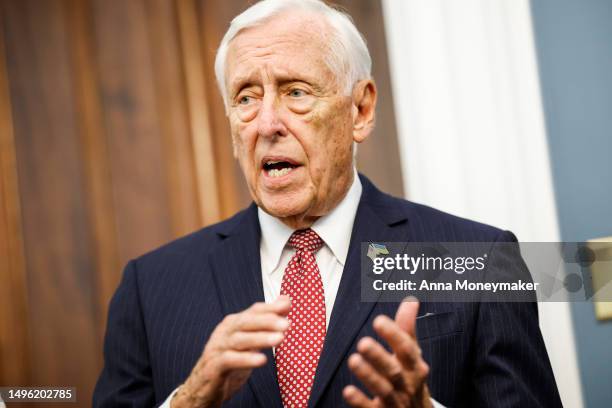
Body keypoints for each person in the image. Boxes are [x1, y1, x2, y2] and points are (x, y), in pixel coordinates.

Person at [93, 0, 563, 407]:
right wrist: (189, 400)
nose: (267, 123)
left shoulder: (479, 260)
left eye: (296, 92)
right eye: (246, 98)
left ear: (360, 110)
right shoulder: (149, 286)